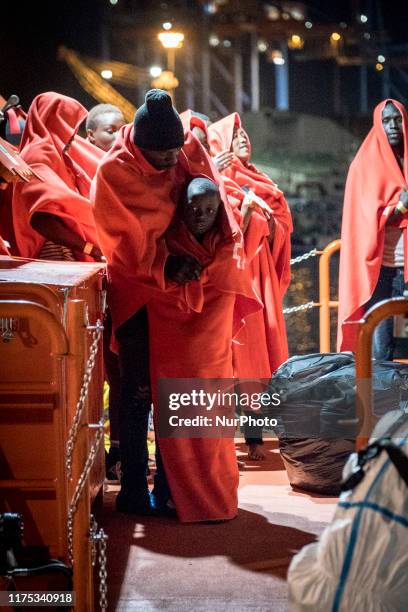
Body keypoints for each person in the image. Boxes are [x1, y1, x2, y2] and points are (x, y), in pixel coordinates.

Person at [92, 89, 231, 515]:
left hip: (183, 295)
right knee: (136, 393)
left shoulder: (184, 148)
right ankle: (134, 488)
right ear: (139, 145)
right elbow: (118, 243)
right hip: (137, 294)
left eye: (176, 151)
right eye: (162, 155)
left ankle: (173, 489)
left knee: (176, 393)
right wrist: (165, 267)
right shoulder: (114, 172)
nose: (173, 162)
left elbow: (215, 204)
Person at [147, 177, 264, 521]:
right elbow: (151, 278)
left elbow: (230, 279)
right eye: (194, 208)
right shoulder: (166, 243)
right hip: (172, 345)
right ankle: (176, 496)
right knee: (175, 417)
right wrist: (170, 273)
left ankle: (214, 497)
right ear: (181, 208)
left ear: (220, 211)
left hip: (211, 349)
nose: (201, 215)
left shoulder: (227, 246)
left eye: (210, 210)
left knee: (213, 421)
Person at [209, 113, 292, 460]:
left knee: (258, 353)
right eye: (234, 135)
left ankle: (254, 435)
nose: (243, 139)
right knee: (232, 355)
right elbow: (219, 229)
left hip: (261, 279)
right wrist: (245, 211)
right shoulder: (218, 180)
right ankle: (221, 440)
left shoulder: (260, 178)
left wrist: (269, 224)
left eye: (244, 134)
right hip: (234, 279)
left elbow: (282, 225)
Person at [337, 99, 408, 358]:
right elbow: (363, 220)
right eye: (386, 121)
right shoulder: (363, 166)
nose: (392, 126)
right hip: (381, 271)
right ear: (378, 124)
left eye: (397, 120)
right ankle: (381, 397)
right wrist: (399, 208)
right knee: (381, 345)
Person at [12, 92, 104, 262]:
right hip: (50, 252)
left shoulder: (55, 154)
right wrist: (90, 248)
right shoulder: (37, 155)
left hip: (66, 248)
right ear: (53, 122)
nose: (73, 134)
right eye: (68, 124)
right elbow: (41, 219)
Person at [86, 104, 126, 479]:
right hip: (81, 294)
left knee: (121, 377)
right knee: (89, 377)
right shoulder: (87, 172)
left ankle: (118, 452)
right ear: (89, 137)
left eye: (123, 129)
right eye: (110, 131)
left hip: (118, 289)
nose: (118, 137)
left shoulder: (127, 173)